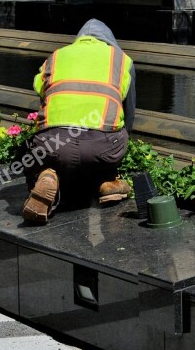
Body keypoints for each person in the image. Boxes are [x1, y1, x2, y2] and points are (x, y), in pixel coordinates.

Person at [21, 18, 136, 224]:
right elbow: (129, 113)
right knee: (115, 137)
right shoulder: (121, 59)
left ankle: (48, 177)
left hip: (53, 144)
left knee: (50, 156)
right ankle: (106, 180)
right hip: (103, 148)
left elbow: (41, 92)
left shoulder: (55, 57)